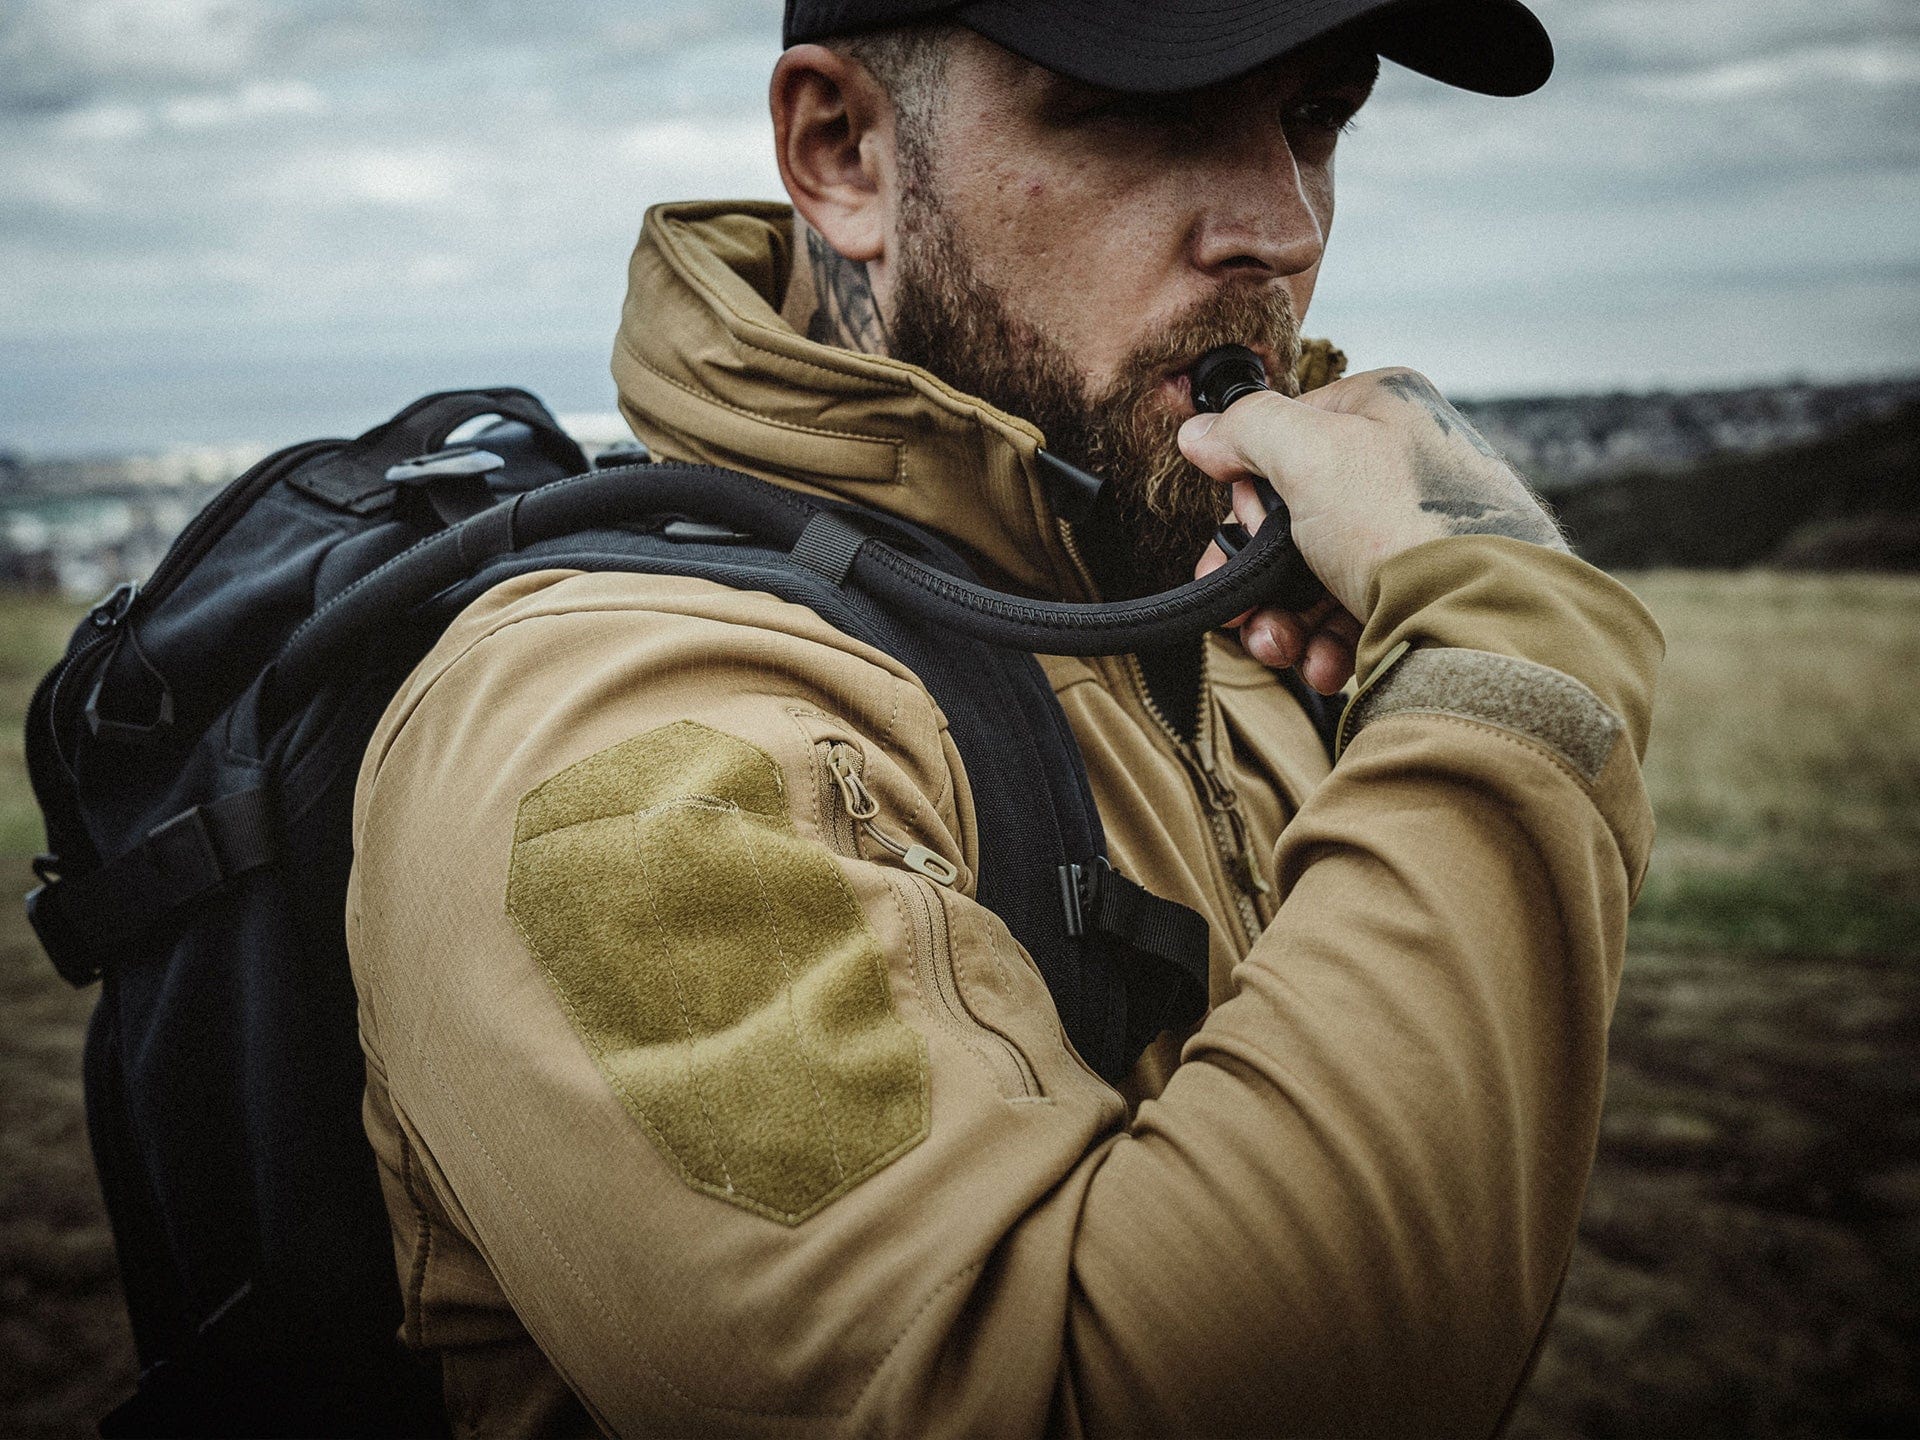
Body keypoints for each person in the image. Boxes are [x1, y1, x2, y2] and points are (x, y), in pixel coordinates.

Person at [346, 1, 1661, 1434]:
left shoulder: (1197, 612)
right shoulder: (610, 734)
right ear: (843, 153)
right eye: (1152, 115)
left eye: (1315, 116)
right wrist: (1505, 656)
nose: (1281, 230)